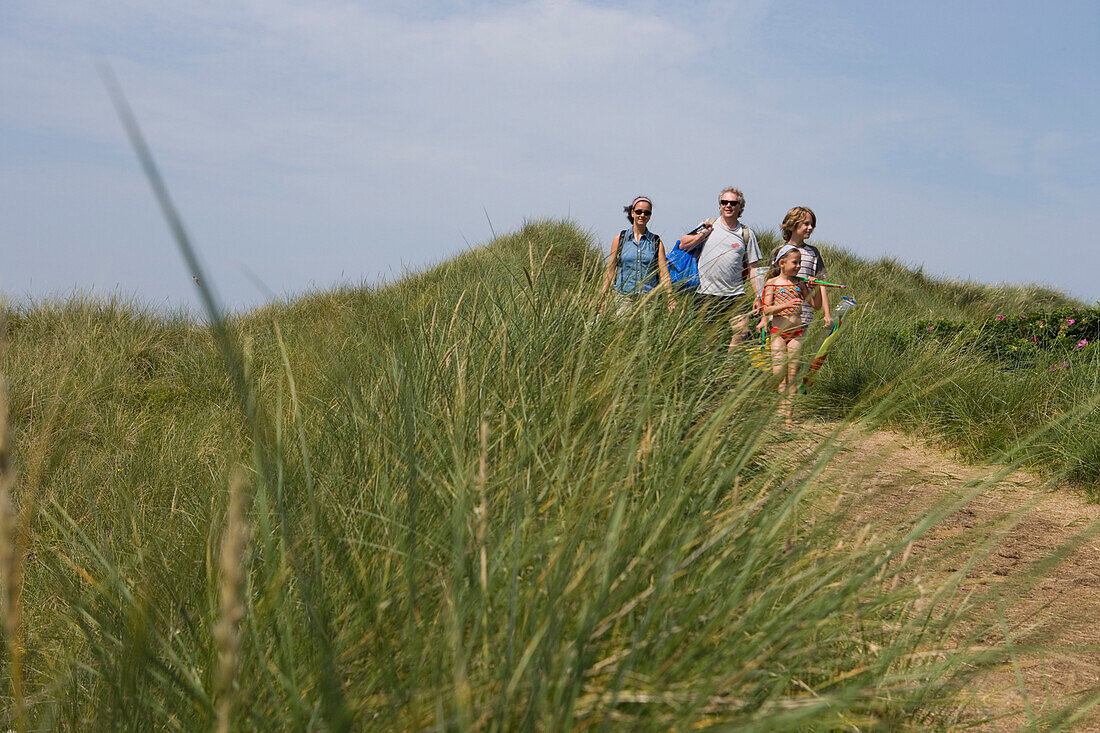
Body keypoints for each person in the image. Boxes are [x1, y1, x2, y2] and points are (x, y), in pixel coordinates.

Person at [678, 187, 763, 350]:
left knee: (742, 330)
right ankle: (710, 372)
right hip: (707, 293)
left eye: (733, 203)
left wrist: (758, 296)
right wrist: (702, 235)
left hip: (735, 293)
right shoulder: (709, 224)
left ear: (740, 206)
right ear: (720, 205)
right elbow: (683, 243)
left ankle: (728, 371)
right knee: (710, 341)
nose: (728, 206)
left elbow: (754, 268)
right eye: (724, 202)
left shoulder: (746, 233)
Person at [762, 244, 820, 424]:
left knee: (793, 373)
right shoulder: (772, 283)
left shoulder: (800, 284)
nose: (798, 266)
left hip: (796, 333)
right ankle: (780, 409)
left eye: (800, 263)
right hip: (778, 333)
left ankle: (788, 416)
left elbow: (816, 305)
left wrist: (812, 288)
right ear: (782, 263)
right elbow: (766, 310)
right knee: (779, 373)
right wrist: (785, 306)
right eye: (795, 262)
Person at [598, 196, 675, 314]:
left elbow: (663, 272)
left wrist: (670, 297)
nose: (642, 215)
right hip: (624, 297)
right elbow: (610, 270)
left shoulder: (656, 242)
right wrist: (602, 298)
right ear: (632, 213)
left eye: (646, 213)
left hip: (649, 298)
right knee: (623, 331)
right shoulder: (620, 239)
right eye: (639, 211)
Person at [780, 206, 832, 331]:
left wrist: (827, 314)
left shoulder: (813, 252)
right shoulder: (779, 251)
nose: (810, 228)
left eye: (812, 225)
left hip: (804, 316)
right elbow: (771, 281)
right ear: (793, 224)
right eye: (806, 224)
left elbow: (821, 284)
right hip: (780, 315)